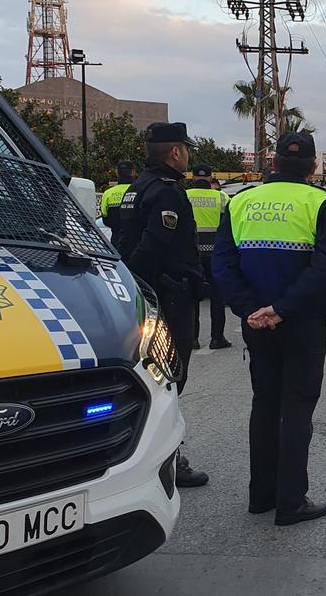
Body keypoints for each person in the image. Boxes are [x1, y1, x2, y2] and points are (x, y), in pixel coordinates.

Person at [212, 131, 326, 527]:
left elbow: (223, 264)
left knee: (264, 405)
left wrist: (252, 310)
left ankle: (261, 495)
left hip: (255, 324)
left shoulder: (239, 201)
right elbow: (324, 265)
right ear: (314, 165)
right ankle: (290, 502)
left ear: (274, 161)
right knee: (297, 408)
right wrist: (281, 309)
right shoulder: (321, 202)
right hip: (301, 321)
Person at [117, 122, 209, 488]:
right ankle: (169, 458)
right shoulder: (168, 193)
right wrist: (147, 286)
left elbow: (124, 242)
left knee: (153, 374)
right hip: (167, 296)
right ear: (175, 153)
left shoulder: (137, 187)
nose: (188, 155)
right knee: (170, 377)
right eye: (186, 149)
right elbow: (152, 247)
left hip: (146, 293)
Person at [186, 164, 232, 350]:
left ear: (193, 177)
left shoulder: (184, 195)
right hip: (215, 254)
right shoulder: (222, 197)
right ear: (211, 177)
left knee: (192, 297)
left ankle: (192, 339)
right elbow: (229, 226)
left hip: (192, 253)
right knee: (217, 297)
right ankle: (217, 338)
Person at [100, 160, 136, 248]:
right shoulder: (140, 191)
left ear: (117, 173)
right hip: (135, 242)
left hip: (115, 241)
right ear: (133, 172)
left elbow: (105, 219)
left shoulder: (107, 193)